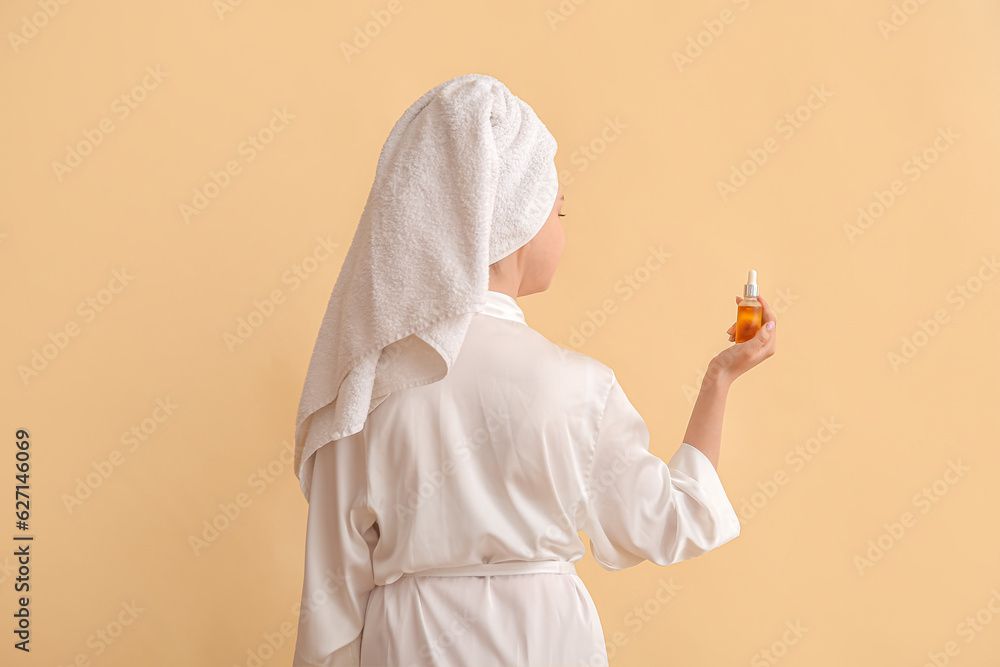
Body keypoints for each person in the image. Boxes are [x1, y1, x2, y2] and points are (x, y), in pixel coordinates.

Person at [290, 74, 777, 667]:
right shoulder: (574, 386)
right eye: (559, 210)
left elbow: (332, 592)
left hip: (407, 641)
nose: (563, 230)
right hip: (543, 641)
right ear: (513, 222)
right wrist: (719, 380)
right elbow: (674, 521)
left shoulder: (367, 386)